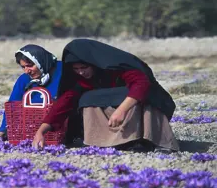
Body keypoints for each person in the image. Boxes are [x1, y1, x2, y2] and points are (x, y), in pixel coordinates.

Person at [32, 39, 180, 153]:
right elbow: (64, 103)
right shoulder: (80, 79)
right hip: (114, 114)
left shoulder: (116, 66)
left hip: (136, 105)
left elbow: (141, 83)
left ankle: (154, 140)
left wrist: (121, 110)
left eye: (84, 68)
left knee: (145, 93)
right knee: (86, 98)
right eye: (76, 69)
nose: (81, 73)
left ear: (93, 63)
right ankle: (107, 142)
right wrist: (41, 131)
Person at [0, 44, 63, 140]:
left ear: (40, 61)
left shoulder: (63, 72)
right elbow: (13, 105)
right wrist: (2, 131)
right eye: (23, 67)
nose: (27, 71)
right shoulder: (24, 79)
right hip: (33, 126)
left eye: (30, 66)